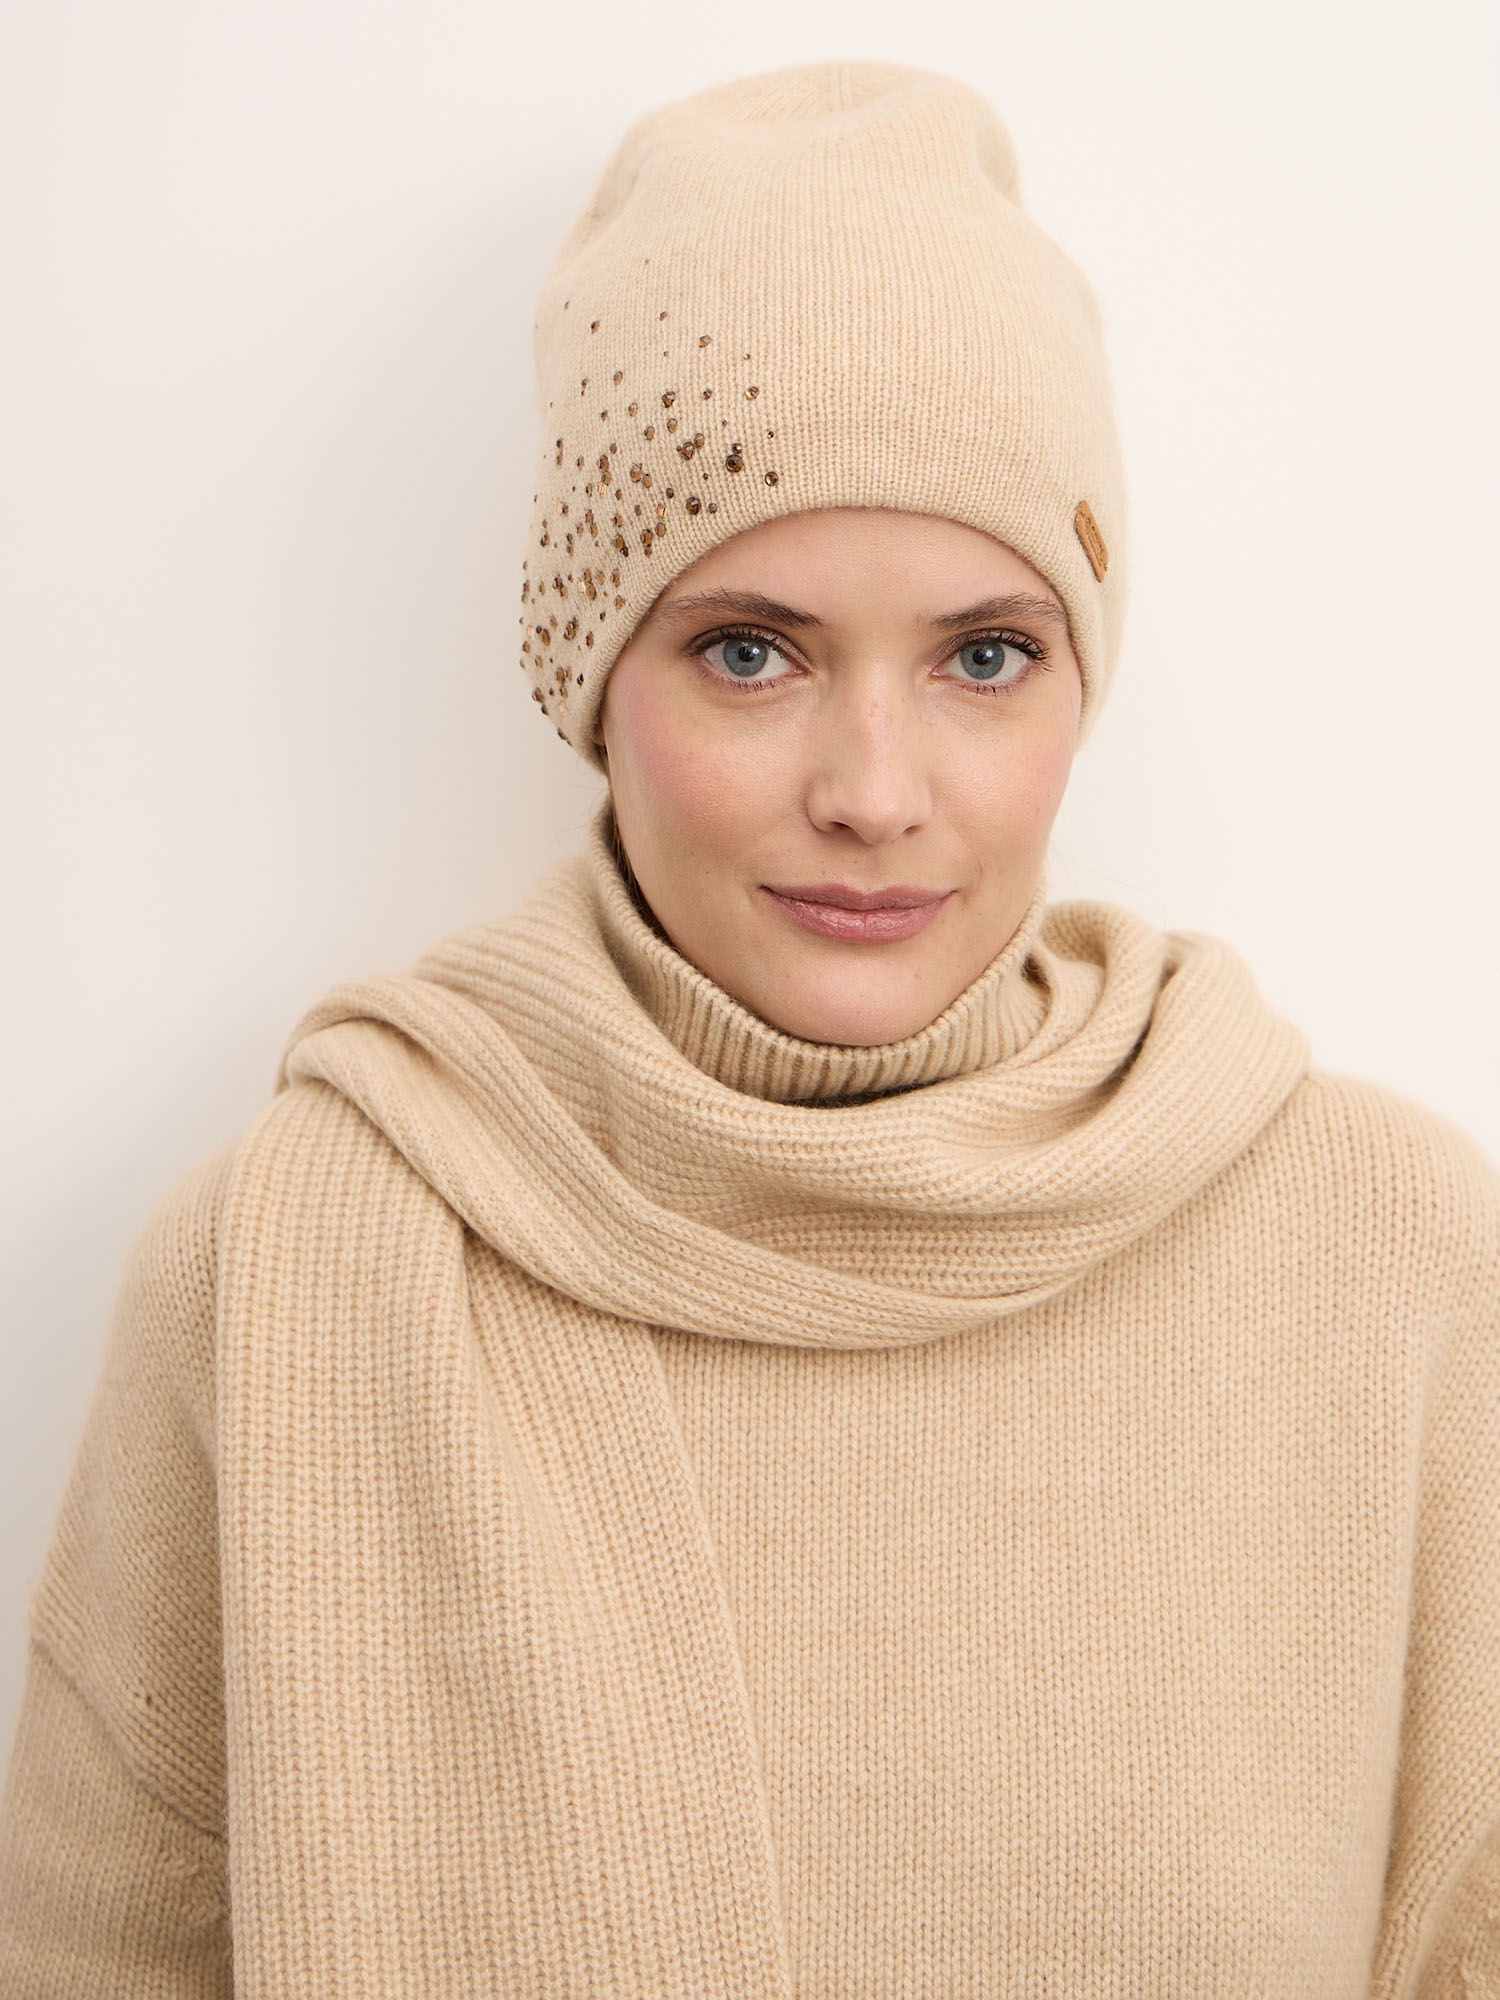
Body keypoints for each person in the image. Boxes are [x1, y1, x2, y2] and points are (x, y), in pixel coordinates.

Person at [0, 59, 1496, 2000]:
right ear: (593, 672)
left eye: (984, 655)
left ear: (1082, 682)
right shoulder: (283, 1271)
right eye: (749, 651)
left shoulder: (1391, 1264)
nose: (874, 791)